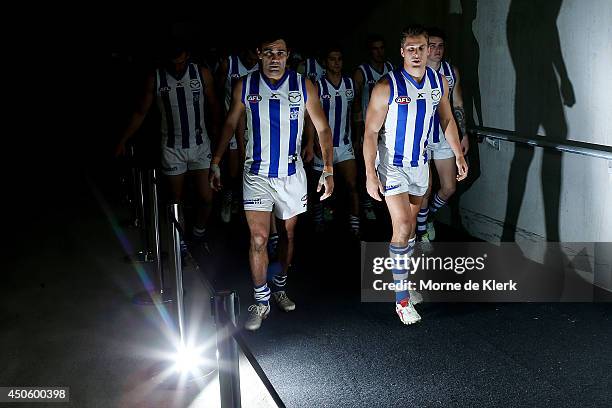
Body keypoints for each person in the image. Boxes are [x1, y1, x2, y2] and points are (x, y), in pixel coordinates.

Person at [210, 34, 334, 331]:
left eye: (280, 53)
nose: (274, 58)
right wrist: (215, 162)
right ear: (259, 54)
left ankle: (279, 285)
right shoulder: (245, 85)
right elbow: (229, 123)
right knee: (258, 238)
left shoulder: (303, 85)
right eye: (268, 53)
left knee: (288, 236)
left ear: (288, 55)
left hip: (291, 174)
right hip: (256, 174)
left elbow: (322, 127)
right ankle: (261, 300)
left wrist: (328, 168)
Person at [363, 25, 468, 325]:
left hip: (419, 165)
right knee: (404, 224)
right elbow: (370, 132)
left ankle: (403, 281)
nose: (417, 53)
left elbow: (446, 117)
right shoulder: (387, 86)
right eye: (410, 48)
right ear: (402, 52)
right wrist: (371, 174)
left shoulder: (437, 81)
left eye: (421, 48)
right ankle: (401, 300)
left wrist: (458, 153)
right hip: (392, 164)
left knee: (409, 233)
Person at [116, 43, 221, 253]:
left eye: (182, 61)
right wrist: (123, 140)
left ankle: (199, 233)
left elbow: (214, 106)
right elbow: (140, 112)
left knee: (207, 197)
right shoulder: (156, 78)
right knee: (175, 199)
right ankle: (179, 241)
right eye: (174, 62)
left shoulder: (201, 74)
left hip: (200, 145)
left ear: (188, 56)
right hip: (172, 148)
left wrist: (219, 142)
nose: (178, 67)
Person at [416, 27, 469, 244]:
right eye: (432, 46)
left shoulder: (451, 71)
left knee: (449, 187)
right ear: (425, 48)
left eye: (440, 46)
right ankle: (422, 233)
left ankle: (426, 217)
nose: (437, 50)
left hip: (445, 137)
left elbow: (457, 104)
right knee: (425, 189)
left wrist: (463, 134)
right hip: (420, 139)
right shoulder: (415, 71)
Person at [310, 45, 360, 237]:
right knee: (319, 187)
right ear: (325, 62)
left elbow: (356, 111)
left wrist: (357, 137)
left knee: (352, 185)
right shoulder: (318, 86)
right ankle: (319, 219)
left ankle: (355, 224)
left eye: (339, 59)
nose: (336, 63)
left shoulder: (349, 84)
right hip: (322, 146)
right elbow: (309, 118)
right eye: (332, 59)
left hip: (345, 143)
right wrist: (312, 141)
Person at [215, 45, 260, 223]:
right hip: (232, 121)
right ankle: (229, 196)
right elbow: (216, 91)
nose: (252, 62)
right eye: (249, 58)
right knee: (234, 168)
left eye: (255, 58)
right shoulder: (229, 64)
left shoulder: (262, 65)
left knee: (251, 168)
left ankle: (244, 202)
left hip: (254, 124)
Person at [353, 34, 395, 222]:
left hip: (388, 129)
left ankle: (386, 200)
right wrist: (358, 130)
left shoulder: (391, 69)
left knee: (385, 165)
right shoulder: (362, 72)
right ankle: (367, 203)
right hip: (369, 127)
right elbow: (354, 102)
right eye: (375, 48)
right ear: (370, 51)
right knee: (367, 166)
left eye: (381, 48)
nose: (379, 52)